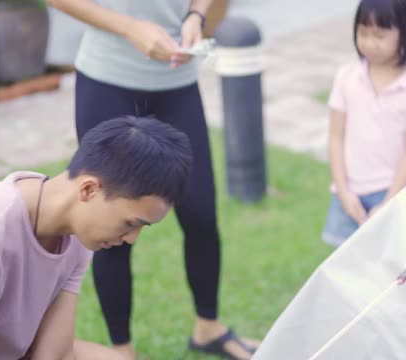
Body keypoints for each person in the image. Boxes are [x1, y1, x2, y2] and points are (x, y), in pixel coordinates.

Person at [45, 0, 259, 358]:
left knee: (201, 215)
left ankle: (208, 327)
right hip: (107, 79)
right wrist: (129, 27)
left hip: (178, 83)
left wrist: (196, 14)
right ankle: (122, 351)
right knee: (112, 227)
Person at [0, 116, 193, 360]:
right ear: (89, 189)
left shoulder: (76, 232)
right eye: (130, 223)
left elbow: (55, 353)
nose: (131, 239)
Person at [322, 0, 406, 247]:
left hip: (393, 194)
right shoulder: (347, 78)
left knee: (387, 270)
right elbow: (335, 137)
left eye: (379, 35)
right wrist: (342, 190)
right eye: (363, 33)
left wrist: (389, 202)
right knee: (344, 271)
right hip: (348, 194)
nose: (369, 43)